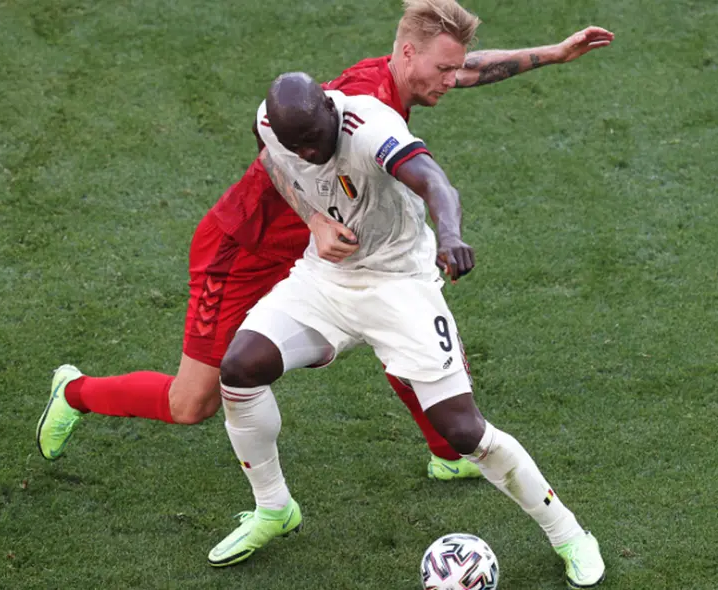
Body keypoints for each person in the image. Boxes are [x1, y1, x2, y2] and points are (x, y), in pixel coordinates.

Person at [35, 0, 614, 480]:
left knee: (402, 333)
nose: (452, 79)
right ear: (408, 54)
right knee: (194, 404)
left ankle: (447, 451)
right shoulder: (364, 97)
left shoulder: (401, 78)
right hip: (244, 247)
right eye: (443, 69)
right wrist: (311, 216)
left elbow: (463, 66)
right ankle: (77, 392)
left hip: (322, 256)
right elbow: (272, 139)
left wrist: (553, 54)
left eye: (450, 69)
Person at [206, 72, 605, 589]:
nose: (306, 153)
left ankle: (570, 535)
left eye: (313, 140)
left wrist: (451, 235)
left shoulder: (369, 126)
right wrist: (314, 220)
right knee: (240, 369)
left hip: (400, 286)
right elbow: (273, 162)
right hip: (326, 281)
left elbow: (435, 181)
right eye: (295, 144)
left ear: (330, 109)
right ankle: (273, 508)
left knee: (463, 431)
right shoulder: (273, 129)